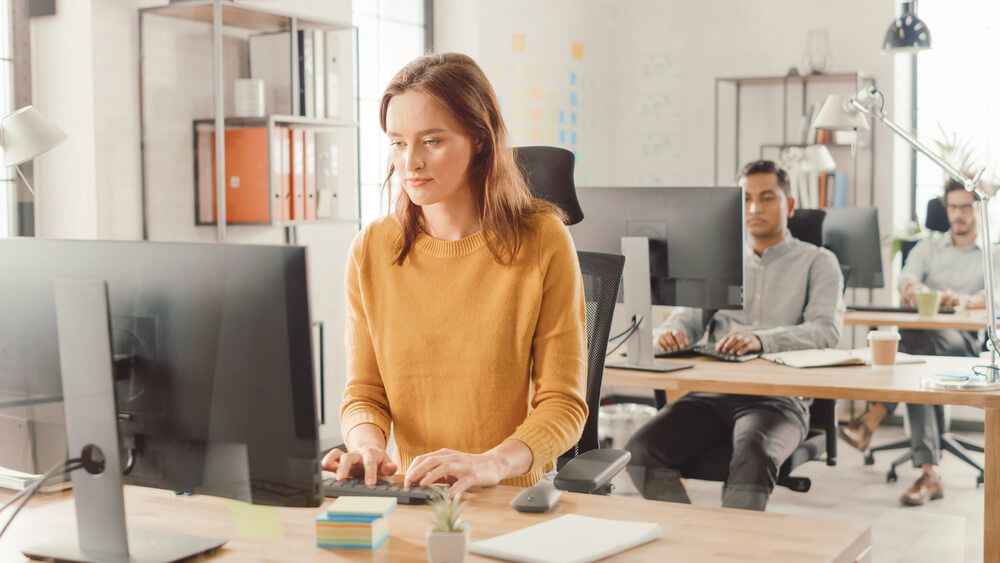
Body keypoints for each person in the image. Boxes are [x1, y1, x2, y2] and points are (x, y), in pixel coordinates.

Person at [318, 53, 588, 497]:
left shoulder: (543, 241)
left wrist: (491, 463)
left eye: (432, 141)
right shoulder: (371, 249)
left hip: (506, 496)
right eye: (398, 143)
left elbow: (563, 404)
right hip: (413, 495)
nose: (411, 163)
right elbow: (365, 393)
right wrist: (367, 446)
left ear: (480, 139)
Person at [625, 159, 844, 511]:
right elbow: (686, 318)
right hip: (710, 393)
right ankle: (692, 538)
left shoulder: (818, 262)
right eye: (745, 198)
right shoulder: (718, 259)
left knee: (753, 456)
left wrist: (761, 340)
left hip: (778, 400)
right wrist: (672, 333)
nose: (754, 208)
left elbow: (826, 330)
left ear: (788, 205)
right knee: (639, 451)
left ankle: (734, 551)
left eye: (767, 197)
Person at [840, 179, 993, 506]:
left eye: (966, 207)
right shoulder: (929, 247)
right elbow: (906, 280)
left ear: (978, 209)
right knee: (917, 353)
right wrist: (920, 292)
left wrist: (962, 300)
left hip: (964, 343)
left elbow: (996, 297)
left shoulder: (992, 253)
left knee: (910, 349)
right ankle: (929, 471)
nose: (959, 215)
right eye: (953, 207)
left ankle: (876, 416)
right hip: (925, 339)